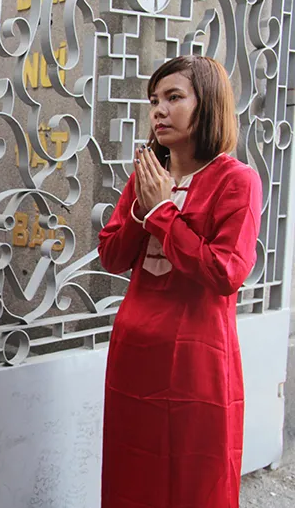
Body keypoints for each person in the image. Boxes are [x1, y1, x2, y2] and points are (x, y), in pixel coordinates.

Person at [98, 55, 263, 508]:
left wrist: (162, 213)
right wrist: (143, 206)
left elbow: (225, 272)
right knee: (132, 469)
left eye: (174, 97)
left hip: (196, 356)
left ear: (207, 104)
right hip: (134, 348)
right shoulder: (148, 174)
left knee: (196, 474)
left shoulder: (238, 181)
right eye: (154, 100)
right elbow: (112, 256)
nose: (159, 110)